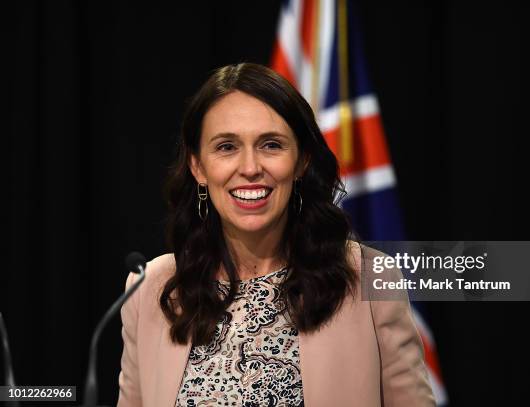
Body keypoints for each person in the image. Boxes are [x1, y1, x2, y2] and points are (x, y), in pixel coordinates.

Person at [117, 63, 435, 407]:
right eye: (226, 147)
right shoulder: (150, 288)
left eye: (271, 145)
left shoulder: (368, 277)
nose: (251, 167)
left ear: (301, 161)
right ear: (198, 168)